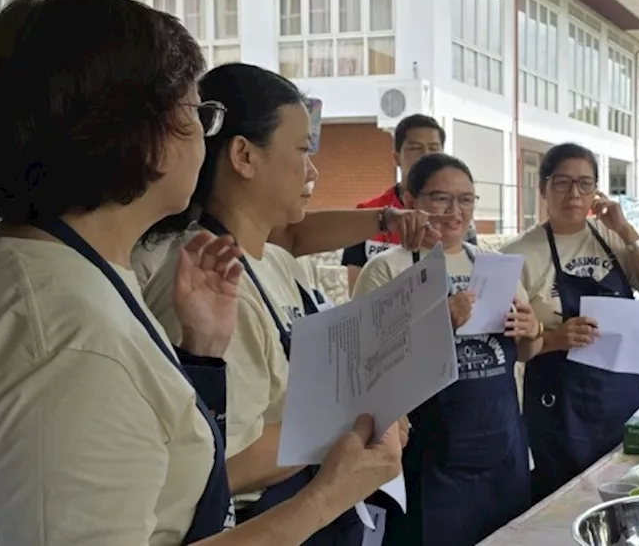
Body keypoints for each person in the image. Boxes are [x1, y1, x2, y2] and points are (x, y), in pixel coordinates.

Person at [0, 0, 401, 545]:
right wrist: (329, 495)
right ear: (138, 136)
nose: (205, 140)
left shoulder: (39, 262)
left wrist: (199, 354)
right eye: (196, 114)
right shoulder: (71, 340)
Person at [141, 63, 418, 545]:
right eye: (302, 150)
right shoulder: (205, 278)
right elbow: (228, 462)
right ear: (244, 156)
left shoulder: (281, 262)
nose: (313, 171)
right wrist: (359, 422)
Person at [354, 153, 542, 546]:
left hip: (502, 449)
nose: (454, 212)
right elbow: (366, 367)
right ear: (410, 199)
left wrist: (531, 329)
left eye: (467, 200)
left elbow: (525, 352)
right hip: (430, 455)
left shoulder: (494, 266)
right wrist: (439, 323)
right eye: (440, 198)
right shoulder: (388, 269)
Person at [501, 142, 639, 503]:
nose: (574, 194)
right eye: (563, 182)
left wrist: (626, 229)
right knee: (565, 507)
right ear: (544, 188)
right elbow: (513, 350)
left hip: (622, 400)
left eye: (585, 184)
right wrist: (556, 338)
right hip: (559, 409)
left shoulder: (612, 239)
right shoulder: (518, 254)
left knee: (628, 500)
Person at [341, 114, 476, 294]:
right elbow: (360, 298)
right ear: (396, 157)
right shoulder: (369, 214)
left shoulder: (457, 217)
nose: (426, 155)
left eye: (434, 148)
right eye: (415, 148)